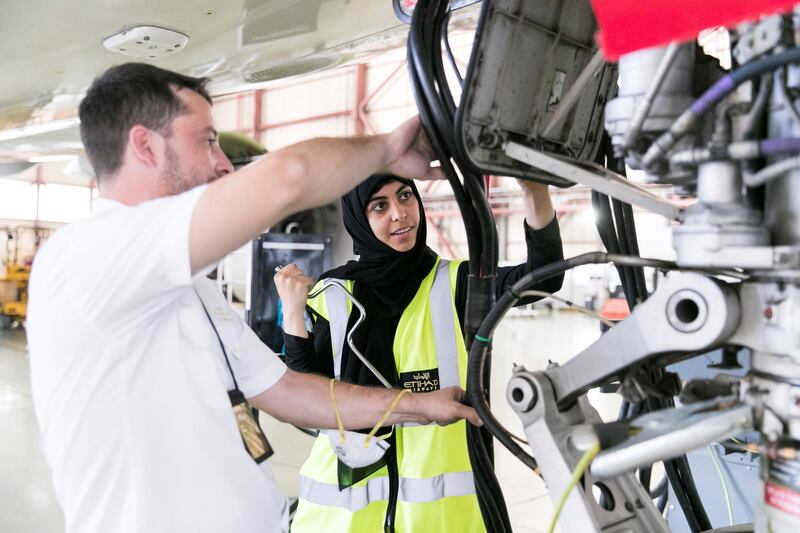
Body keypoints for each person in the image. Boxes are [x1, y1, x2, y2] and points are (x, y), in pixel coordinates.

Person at [25, 62, 483, 533]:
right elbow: (291, 175)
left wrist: (417, 406)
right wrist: (386, 151)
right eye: (207, 140)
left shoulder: (194, 290)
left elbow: (286, 391)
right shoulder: (88, 255)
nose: (223, 163)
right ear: (145, 146)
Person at [274, 174, 564, 532]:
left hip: (437, 517)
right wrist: (291, 311)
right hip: (341, 515)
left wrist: (533, 190)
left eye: (406, 196)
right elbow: (307, 395)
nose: (400, 214)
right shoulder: (333, 292)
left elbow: (543, 278)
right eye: (380, 206)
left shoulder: (456, 283)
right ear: (358, 220)